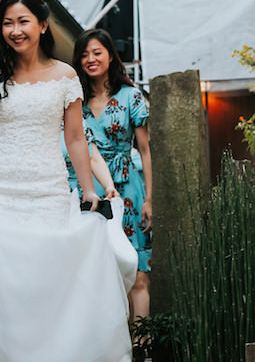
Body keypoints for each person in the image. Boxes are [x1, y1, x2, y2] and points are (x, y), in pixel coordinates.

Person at [0, 0, 135, 362]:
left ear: (42, 25)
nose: (14, 30)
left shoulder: (66, 76)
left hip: (48, 193)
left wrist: (88, 190)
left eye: (23, 21)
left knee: (42, 287)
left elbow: (75, 138)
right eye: (7, 23)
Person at [74, 28, 153, 321]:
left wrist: (150, 199)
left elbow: (145, 150)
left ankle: (141, 347)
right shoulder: (75, 100)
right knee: (96, 271)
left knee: (138, 271)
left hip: (129, 187)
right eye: (84, 55)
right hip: (86, 187)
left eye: (97, 53)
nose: (91, 59)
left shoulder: (131, 96)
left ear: (110, 55)